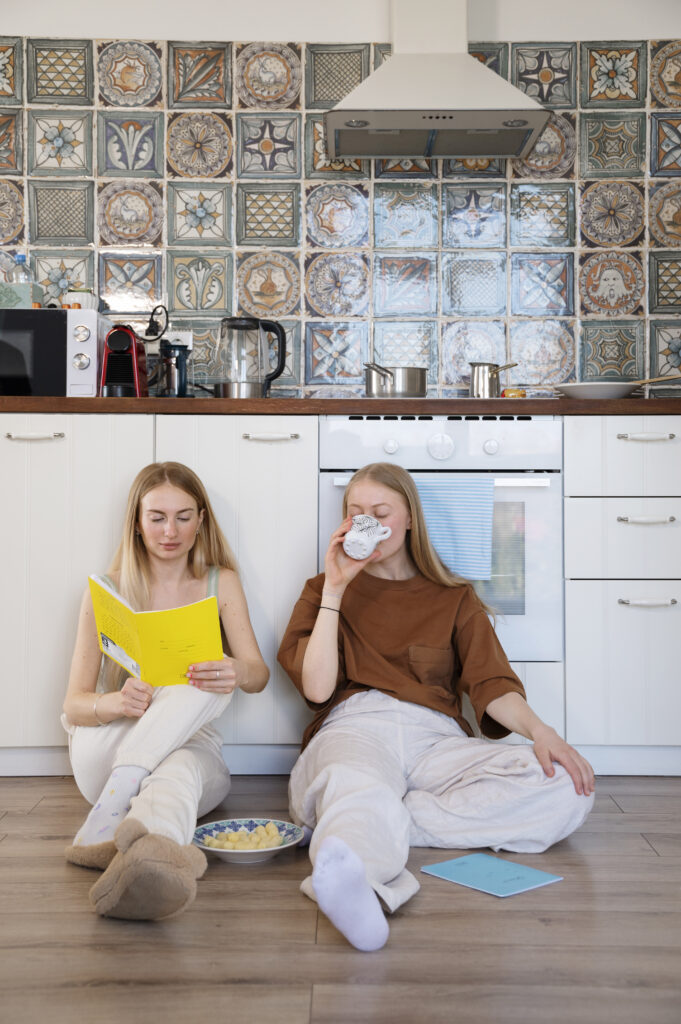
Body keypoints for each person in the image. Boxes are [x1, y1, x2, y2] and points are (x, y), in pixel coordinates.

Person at [278, 462, 595, 953]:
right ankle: (360, 887)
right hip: (356, 727)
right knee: (353, 780)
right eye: (356, 513)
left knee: (568, 790)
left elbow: (492, 685)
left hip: (436, 741)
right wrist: (336, 588)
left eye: (381, 512)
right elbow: (317, 691)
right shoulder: (323, 590)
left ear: (408, 520)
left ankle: (381, 819)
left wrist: (543, 733)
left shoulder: (455, 598)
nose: (369, 523)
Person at [62, 461, 269, 920]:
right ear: (137, 523)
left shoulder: (221, 581)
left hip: (188, 750)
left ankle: (143, 859)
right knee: (201, 692)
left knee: (210, 690)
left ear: (201, 521)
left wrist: (236, 671)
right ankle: (120, 797)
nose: (169, 531)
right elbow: (73, 705)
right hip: (108, 751)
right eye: (156, 517)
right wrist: (115, 702)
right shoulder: (107, 590)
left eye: (183, 516)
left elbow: (258, 674)